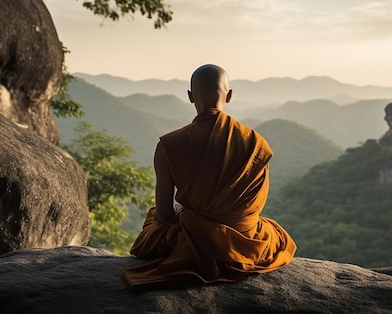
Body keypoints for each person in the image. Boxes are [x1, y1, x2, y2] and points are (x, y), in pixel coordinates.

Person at [122, 64, 296, 288]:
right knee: (275, 234)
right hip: (242, 243)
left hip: (193, 241)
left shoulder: (168, 145)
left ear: (190, 97)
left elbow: (164, 215)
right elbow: (252, 210)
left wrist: (191, 216)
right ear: (230, 96)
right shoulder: (255, 143)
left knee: (152, 221)